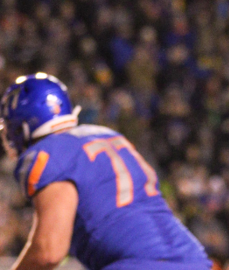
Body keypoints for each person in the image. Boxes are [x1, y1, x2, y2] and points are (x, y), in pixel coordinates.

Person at [0, 72, 213, 270]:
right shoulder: (107, 135)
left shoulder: (48, 152)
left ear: (22, 126)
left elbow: (49, 250)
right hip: (195, 260)